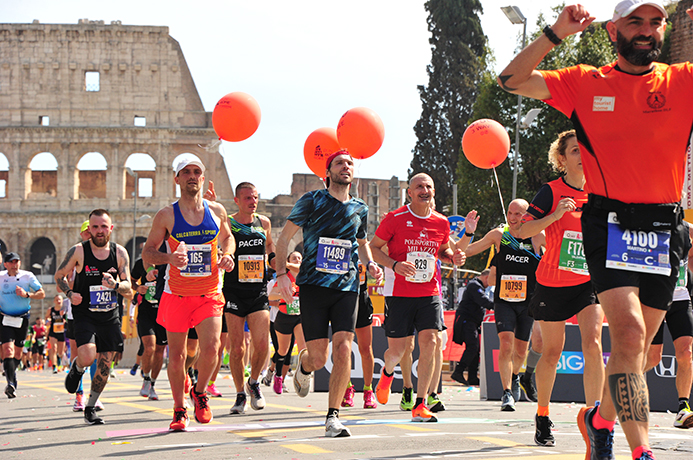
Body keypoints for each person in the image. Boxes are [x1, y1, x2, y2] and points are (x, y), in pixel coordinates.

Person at [497, 1, 693, 458]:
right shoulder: (586, 81)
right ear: (612, 30)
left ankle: (599, 420)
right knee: (625, 335)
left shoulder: (681, 80)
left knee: (641, 351)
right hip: (610, 221)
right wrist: (556, 32)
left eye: (654, 22)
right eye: (634, 22)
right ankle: (641, 451)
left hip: (665, 225)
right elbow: (510, 79)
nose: (646, 31)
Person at [275, 149, 383, 437]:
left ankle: (333, 416)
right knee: (320, 358)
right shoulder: (312, 200)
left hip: (347, 287)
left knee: (344, 347)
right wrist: (283, 275)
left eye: (350, 163)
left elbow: (362, 242)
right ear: (328, 172)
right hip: (313, 286)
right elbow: (284, 238)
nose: (345, 167)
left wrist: (370, 263)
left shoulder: (360, 207)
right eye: (339, 163)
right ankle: (305, 364)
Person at [517, 130, 605, 447]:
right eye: (573, 150)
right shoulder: (550, 191)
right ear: (562, 158)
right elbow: (522, 230)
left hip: (588, 281)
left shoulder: (600, 191)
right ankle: (542, 414)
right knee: (552, 351)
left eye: (584, 148)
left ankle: (596, 420)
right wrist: (556, 214)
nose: (581, 154)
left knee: (592, 342)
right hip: (553, 281)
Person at [142, 154, 235, 431]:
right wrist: (170, 259)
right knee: (178, 356)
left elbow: (228, 237)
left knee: (212, 349)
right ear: (177, 179)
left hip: (209, 292)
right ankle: (179, 409)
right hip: (177, 294)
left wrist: (228, 255)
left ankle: (200, 392)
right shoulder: (166, 215)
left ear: (203, 177)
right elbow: (148, 252)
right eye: (186, 172)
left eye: (197, 171)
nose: (192, 176)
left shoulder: (217, 211)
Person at [370, 172, 465, 423]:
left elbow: (443, 250)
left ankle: (421, 404)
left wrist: (452, 257)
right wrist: (394, 264)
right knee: (397, 350)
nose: (425, 190)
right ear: (409, 193)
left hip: (429, 292)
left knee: (431, 343)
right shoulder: (395, 218)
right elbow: (374, 247)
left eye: (429, 186)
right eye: (419, 186)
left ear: (434, 192)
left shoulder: (441, 222)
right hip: (399, 293)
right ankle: (388, 372)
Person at [459, 200, 543, 411]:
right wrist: (468, 233)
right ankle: (506, 392)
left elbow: (559, 255)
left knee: (521, 350)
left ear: (527, 216)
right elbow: (467, 251)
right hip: (504, 300)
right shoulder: (499, 235)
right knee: (506, 343)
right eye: (510, 213)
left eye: (518, 214)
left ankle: (515, 376)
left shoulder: (537, 236)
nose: (512, 218)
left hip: (527, 301)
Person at [56, 209, 132, 425]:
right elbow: (59, 276)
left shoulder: (120, 253)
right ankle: (77, 368)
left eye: (104, 226)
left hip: (110, 316)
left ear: (111, 228)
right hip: (85, 314)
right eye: (95, 227)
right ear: (89, 229)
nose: (100, 231)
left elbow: (129, 289)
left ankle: (90, 407)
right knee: (88, 356)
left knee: (105, 365)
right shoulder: (78, 251)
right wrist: (70, 294)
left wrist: (115, 285)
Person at [223, 182, 274, 415]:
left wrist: (276, 263)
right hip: (234, 291)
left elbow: (270, 246)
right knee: (237, 349)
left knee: (262, 344)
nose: (252, 202)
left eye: (255, 198)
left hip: (258, 290)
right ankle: (239, 393)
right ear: (237, 200)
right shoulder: (229, 223)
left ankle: (253, 382)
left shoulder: (263, 223)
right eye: (247, 198)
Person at [644, 223, 693, 429]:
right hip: (652, 297)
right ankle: (625, 387)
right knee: (653, 358)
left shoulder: (686, 228)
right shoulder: (649, 224)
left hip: (680, 295)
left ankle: (683, 407)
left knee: (686, 353)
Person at [1, 252, 45, 398]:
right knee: (8, 350)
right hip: (4, 319)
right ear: (5, 264)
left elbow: (41, 293)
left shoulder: (28, 276)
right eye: (11, 262)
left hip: (22, 319)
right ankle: (11, 383)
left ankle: (12, 374)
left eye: (17, 262)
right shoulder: (1, 277)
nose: (15, 265)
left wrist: (27, 295)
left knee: (18, 353)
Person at [267, 250, 305, 395]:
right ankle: (277, 376)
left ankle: (302, 374)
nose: (298, 260)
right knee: (282, 350)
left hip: (300, 316)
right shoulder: (283, 277)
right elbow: (272, 295)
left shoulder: (304, 275)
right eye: (294, 258)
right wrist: (284, 295)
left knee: (303, 348)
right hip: (283, 315)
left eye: (300, 258)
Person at [130, 257, 167, 401]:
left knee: (160, 350)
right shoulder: (141, 262)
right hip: (145, 312)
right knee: (149, 347)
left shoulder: (168, 261)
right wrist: (138, 288)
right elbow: (131, 281)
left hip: (163, 312)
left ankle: (152, 384)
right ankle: (145, 378)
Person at [342, 261, 378, 409]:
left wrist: (375, 270)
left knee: (365, 349)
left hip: (361, 299)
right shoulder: (338, 242)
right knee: (344, 349)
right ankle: (347, 388)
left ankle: (368, 390)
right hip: (343, 299)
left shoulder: (363, 247)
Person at [451, 269, 494, 386]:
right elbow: (483, 301)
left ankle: (472, 377)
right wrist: (498, 306)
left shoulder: (477, 286)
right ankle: (458, 371)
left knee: (475, 349)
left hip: (472, 322)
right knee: (473, 347)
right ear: (487, 277)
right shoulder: (475, 286)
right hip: (466, 321)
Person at [46, 295, 66, 373]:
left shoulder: (64, 310)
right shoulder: (51, 310)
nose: (58, 301)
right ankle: (54, 366)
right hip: (53, 332)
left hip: (62, 332)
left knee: (61, 352)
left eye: (60, 300)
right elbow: (46, 318)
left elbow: (68, 319)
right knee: (54, 348)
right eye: (57, 300)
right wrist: (48, 321)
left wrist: (65, 321)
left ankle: (59, 360)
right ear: (54, 301)